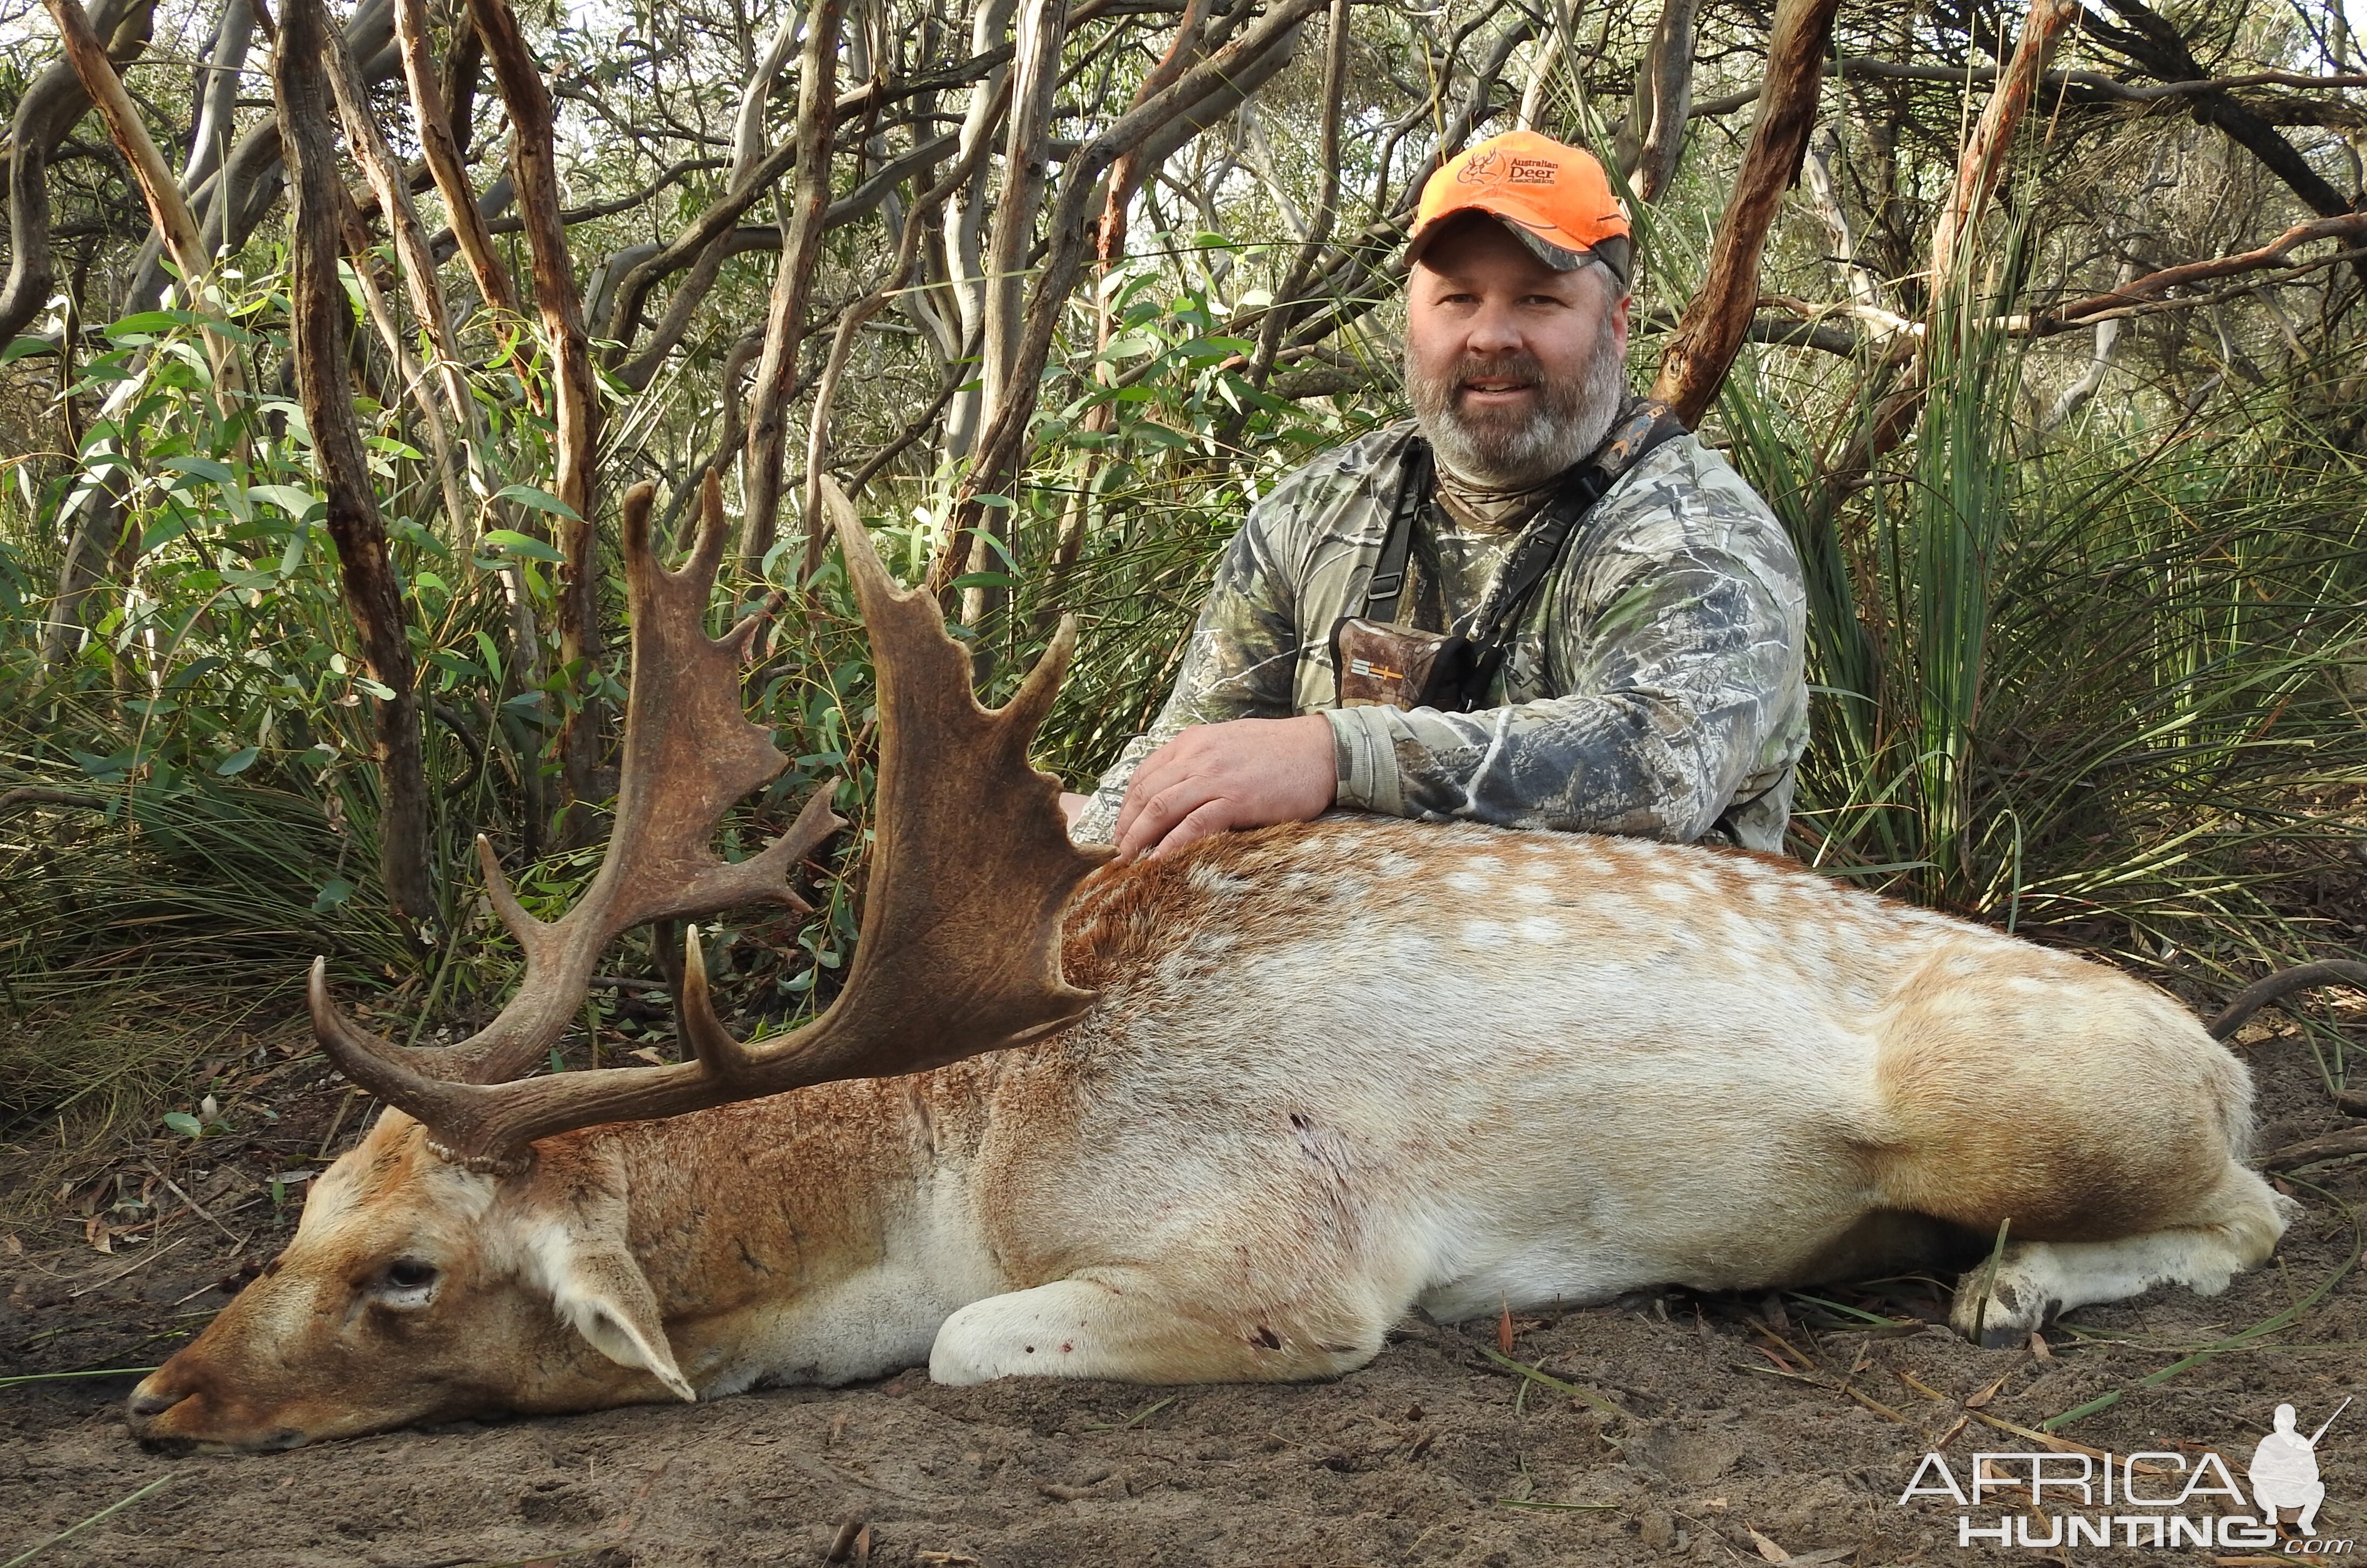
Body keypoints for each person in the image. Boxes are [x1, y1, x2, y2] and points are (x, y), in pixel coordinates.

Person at [1063, 130, 1809, 862]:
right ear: (1411, 322)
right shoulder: (1310, 512)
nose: (1490, 335)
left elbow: (1663, 764)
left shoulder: (1697, 533)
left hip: (1626, 970)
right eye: (1457, 299)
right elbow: (1189, 753)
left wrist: (1335, 754)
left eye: (1539, 301)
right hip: (1342, 957)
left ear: (1614, 326)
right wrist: (1089, 855)